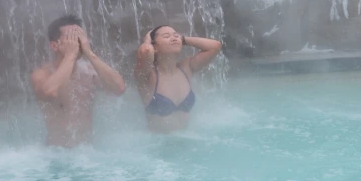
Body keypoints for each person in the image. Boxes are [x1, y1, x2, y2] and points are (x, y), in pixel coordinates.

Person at [31, 15, 126, 147]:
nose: (78, 43)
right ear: (54, 45)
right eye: (71, 38)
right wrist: (70, 55)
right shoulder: (42, 74)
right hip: (56, 155)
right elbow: (50, 92)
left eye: (80, 37)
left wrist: (90, 53)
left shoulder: (89, 70)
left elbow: (119, 88)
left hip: (86, 154)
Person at [135, 25, 222, 133]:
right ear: (155, 47)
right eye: (166, 36)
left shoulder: (186, 68)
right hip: (160, 145)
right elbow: (145, 51)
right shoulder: (149, 76)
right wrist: (147, 39)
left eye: (176, 35)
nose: (174, 38)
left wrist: (183, 40)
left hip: (187, 143)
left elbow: (215, 46)